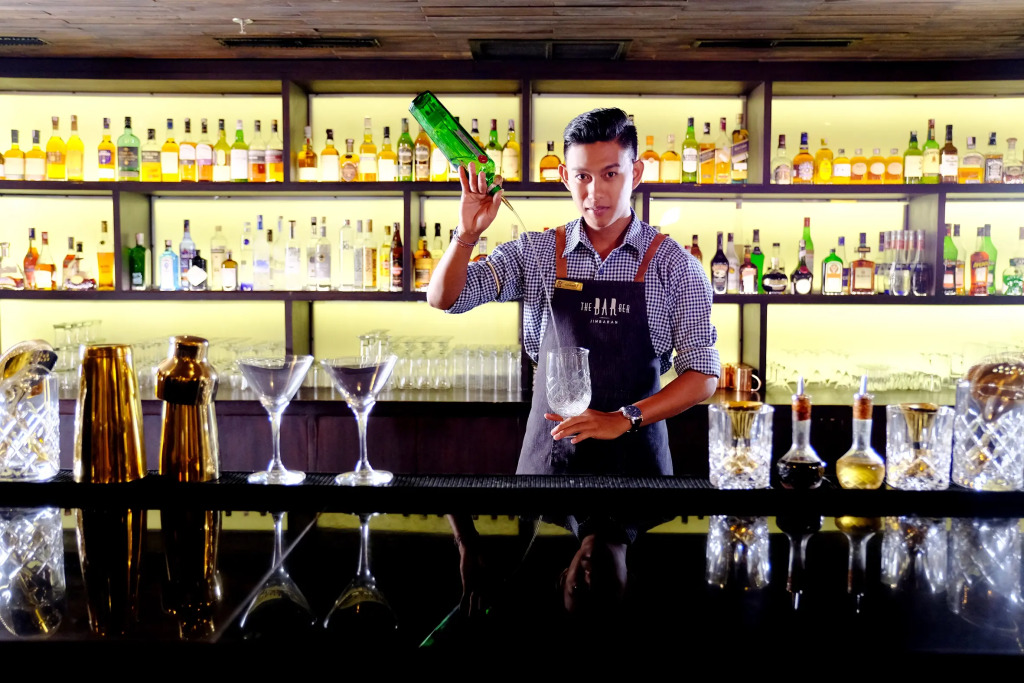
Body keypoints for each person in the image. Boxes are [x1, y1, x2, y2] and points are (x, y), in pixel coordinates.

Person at [428, 107, 719, 476]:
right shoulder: (536, 253)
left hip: (637, 465)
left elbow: (703, 375)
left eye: (610, 174)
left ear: (636, 172)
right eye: (583, 176)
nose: (595, 192)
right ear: (565, 176)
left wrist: (623, 418)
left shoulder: (675, 265)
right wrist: (467, 233)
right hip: (548, 461)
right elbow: (445, 298)